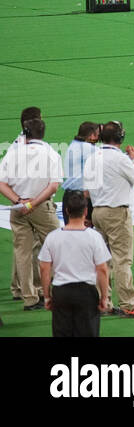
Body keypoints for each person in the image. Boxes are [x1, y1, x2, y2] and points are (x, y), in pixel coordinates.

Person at [86, 121, 134, 318]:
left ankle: (102, 303)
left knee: (102, 260)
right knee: (122, 260)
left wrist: (88, 216)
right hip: (117, 213)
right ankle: (129, 304)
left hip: (97, 212)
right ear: (120, 138)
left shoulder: (92, 157)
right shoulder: (121, 159)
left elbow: (86, 192)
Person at [0, 112, 62, 310]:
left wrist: (20, 201)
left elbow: (2, 183)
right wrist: (33, 203)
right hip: (41, 207)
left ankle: (29, 297)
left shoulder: (13, 152)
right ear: (43, 133)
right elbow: (53, 186)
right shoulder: (52, 153)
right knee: (57, 247)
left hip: (18, 209)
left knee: (22, 252)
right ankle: (53, 291)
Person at [38, 190, 111, 338]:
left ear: (66, 210)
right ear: (85, 211)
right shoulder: (94, 237)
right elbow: (102, 269)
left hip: (61, 292)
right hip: (86, 293)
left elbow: (44, 268)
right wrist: (104, 297)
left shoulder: (53, 237)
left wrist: (47, 296)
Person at [62, 122, 101, 226]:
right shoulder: (89, 148)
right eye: (97, 134)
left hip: (68, 196)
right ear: (92, 135)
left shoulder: (73, 144)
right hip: (80, 198)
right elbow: (109, 157)